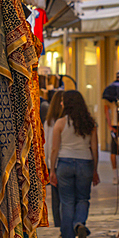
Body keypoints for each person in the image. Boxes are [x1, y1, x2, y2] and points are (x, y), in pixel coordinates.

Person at [48, 90, 99, 238]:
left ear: (67, 104)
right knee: (83, 198)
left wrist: (52, 170)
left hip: (64, 164)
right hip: (85, 163)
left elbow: (54, 149)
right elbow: (94, 148)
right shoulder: (90, 124)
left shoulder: (60, 123)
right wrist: (95, 170)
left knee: (67, 202)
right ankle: (79, 223)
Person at [101, 69, 119, 184]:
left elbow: (106, 109)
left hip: (113, 124)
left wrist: (109, 125)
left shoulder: (108, 90)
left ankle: (115, 176)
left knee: (114, 151)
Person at [43, 90, 65, 229]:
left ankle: (59, 224)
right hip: (62, 159)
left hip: (53, 162)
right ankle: (67, 225)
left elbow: (47, 144)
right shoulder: (64, 121)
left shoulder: (50, 121)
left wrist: (48, 164)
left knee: (57, 197)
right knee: (67, 197)